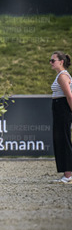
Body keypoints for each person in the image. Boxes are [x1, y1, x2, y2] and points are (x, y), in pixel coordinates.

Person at [49, 51, 72, 183]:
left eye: (53, 60)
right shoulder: (60, 75)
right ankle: (66, 173)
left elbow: (69, 96)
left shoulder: (63, 76)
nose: (51, 63)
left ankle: (68, 175)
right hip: (59, 110)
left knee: (64, 140)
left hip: (63, 110)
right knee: (60, 140)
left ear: (61, 62)